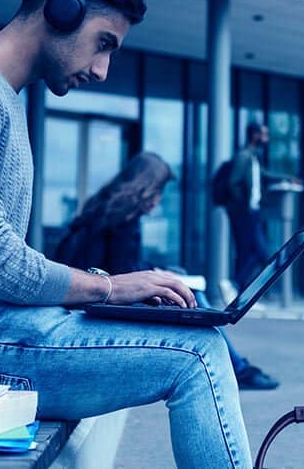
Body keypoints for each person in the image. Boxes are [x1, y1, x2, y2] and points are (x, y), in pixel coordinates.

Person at [0, 0, 252, 468]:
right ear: (60, 9)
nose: (104, 70)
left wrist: (106, 301)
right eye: (103, 43)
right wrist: (108, 286)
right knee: (199, 355)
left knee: (189, 335)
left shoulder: (0, 98)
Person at [54, 151, 279, 390]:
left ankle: (239, 368)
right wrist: (157, 277)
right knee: (191, 297)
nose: (158, 200)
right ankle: (240, 370)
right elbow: (122, 275)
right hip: (102, 303)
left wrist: (155, 270)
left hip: (93, 295)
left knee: (182, 283)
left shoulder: (105, 207)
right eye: (158, 192)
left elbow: (119, 265)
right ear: (145, 187)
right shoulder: (122, 218)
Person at [227, 122, 298, 289]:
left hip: (252, 211)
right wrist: (244, 206)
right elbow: (233, 183)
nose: (267, 138)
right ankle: (235, 284)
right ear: (255, 135)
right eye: (264, 134)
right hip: (244, 212)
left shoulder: (252, 157)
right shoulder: (244, 156)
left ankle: (238, 291)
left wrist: (287, 177)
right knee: (257, 252)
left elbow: (264, 175)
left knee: (250, 253)